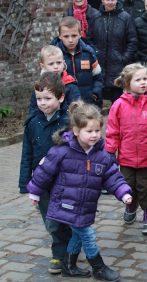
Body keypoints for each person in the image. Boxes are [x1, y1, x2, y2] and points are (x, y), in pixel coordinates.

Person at [27, 101, 133, 282]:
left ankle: (68, 266)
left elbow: (112, 177)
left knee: (77, 235)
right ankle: (98, 268)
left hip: (85, 206)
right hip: (65, 203)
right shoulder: (61, 152)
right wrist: (35, 192)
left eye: (97, 131)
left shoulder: (102, 156)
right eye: (88, 131)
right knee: (87, 234)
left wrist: (123, 192)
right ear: (76, 131)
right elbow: (43, 172)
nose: (94, 135)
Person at [19, 73, 85, 276]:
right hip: (42, 183)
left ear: (61, 98)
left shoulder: (69, 122)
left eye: (48, 98)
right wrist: (25, 182)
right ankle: (60, 250)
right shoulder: (32, 123)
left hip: (66, 181)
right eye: (39, 98)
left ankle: (67, 251)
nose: (42, 103)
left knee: (68, 219)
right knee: (51, 221)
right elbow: (27, 153)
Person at [105, 63, 147, 235]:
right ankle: (130, 205)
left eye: (145, 79)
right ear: (127, 83)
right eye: (138, 79)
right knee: (127, 185)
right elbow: (113, 130)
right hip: (125, 157)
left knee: (146, 187)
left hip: (146, 157)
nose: (143, 83)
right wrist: (110, 152)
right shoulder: (118, 105)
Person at [89, 0, 137, 104]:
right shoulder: (95, 17)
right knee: (96, 106)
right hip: (99, 68)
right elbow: (90, 40)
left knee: (119, 104)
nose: (110, 2)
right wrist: (95, 55)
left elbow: (132, 41)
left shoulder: (125, 18)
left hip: (118, 70)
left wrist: (123, 59)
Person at [52, 16, 103, 107]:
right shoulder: (53, 56)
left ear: (80, 34)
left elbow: (98, 76)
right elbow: (47, 81)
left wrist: (95, 93)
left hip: (88, 103)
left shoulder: (89, 53)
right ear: (59, 36)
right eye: (66, 36)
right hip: (65, 106)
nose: (70, 40)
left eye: (74, 35)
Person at [28, 46, 81, 116]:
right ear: (42, 66)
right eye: (51, 64)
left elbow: (76, 110)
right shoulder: (40, 85)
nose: (56, 66)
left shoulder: (70, 85)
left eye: (59, 63)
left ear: (63, 63)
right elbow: (33, 110)